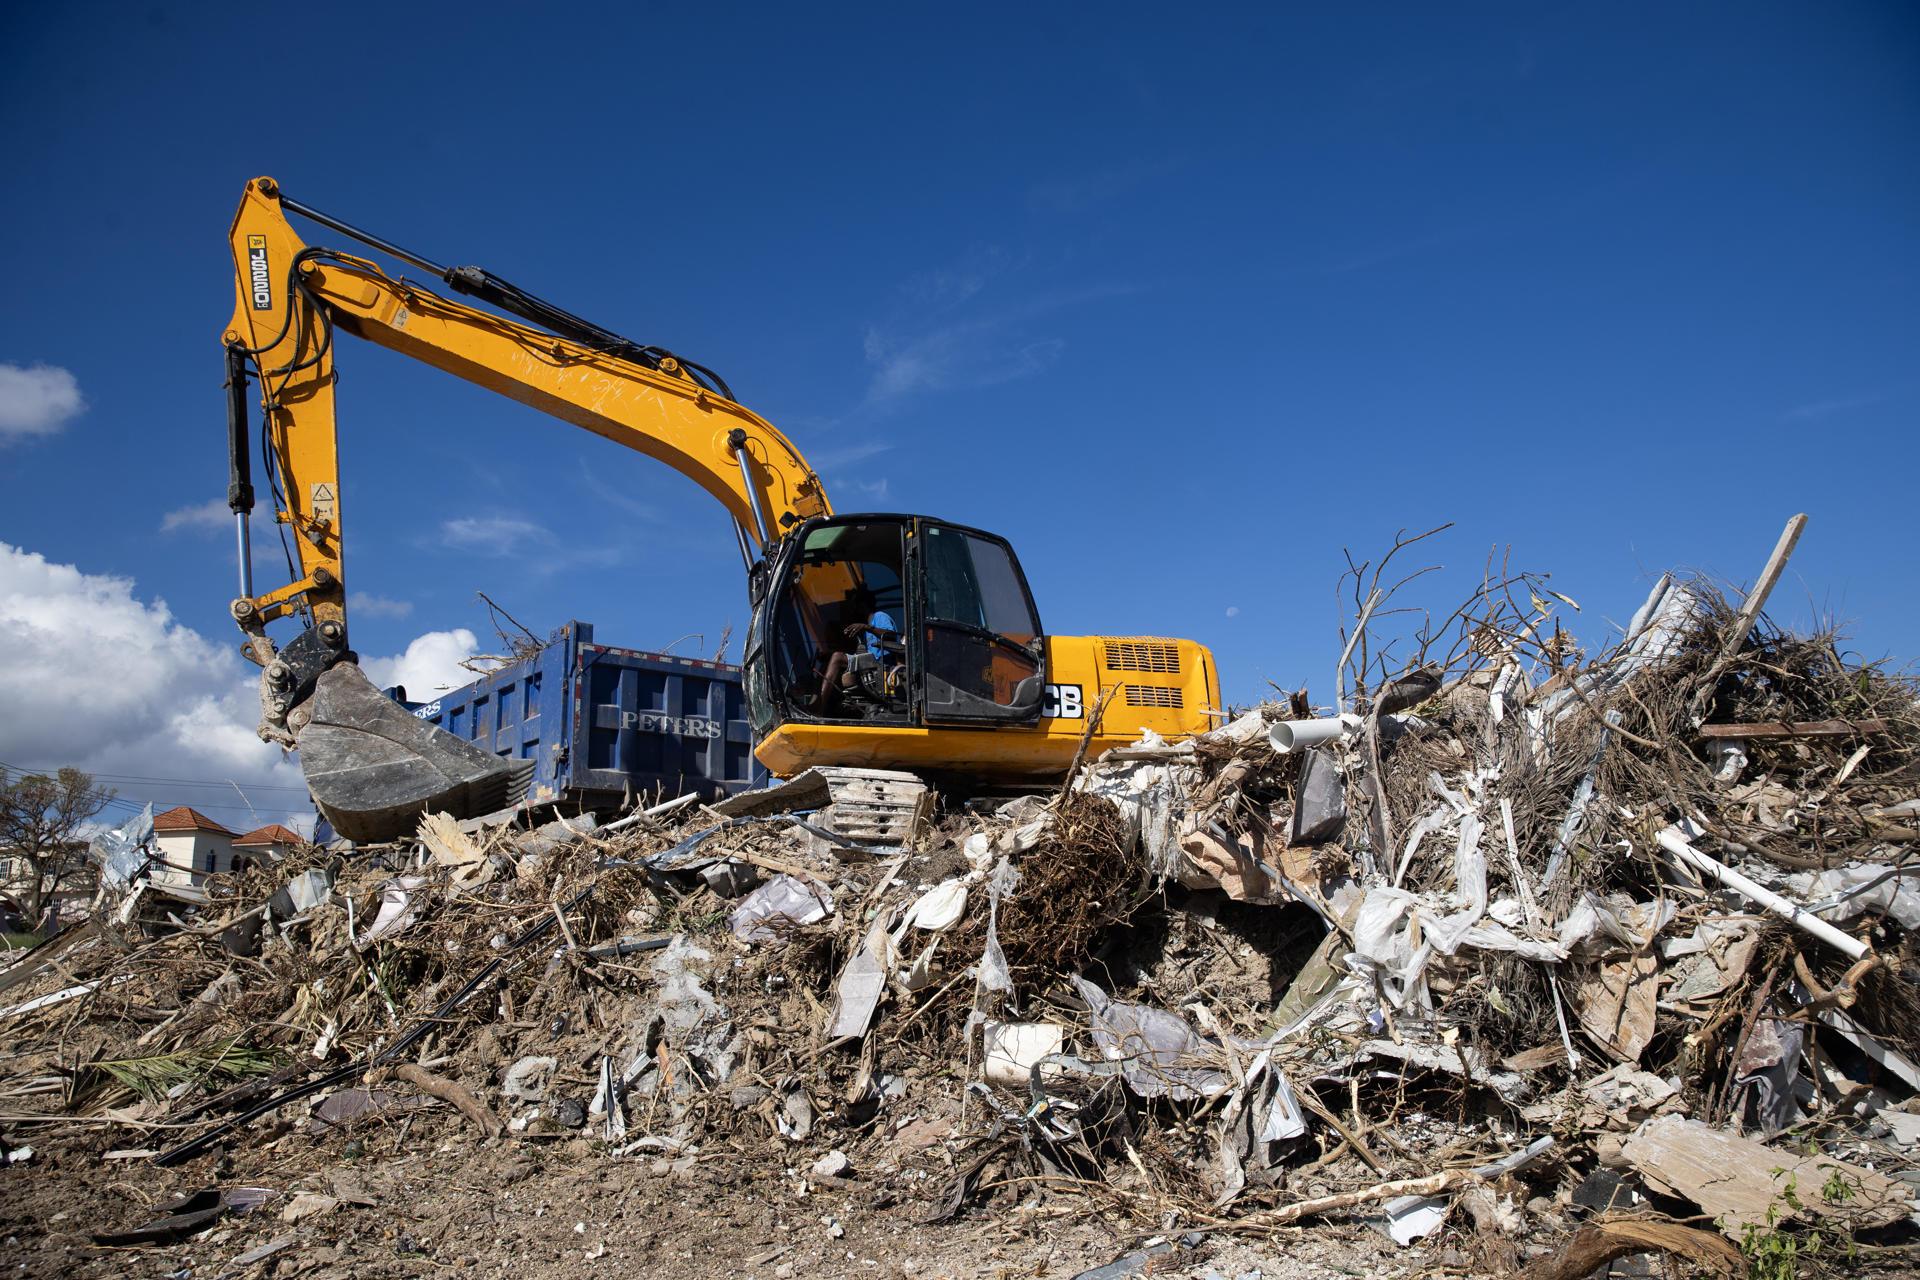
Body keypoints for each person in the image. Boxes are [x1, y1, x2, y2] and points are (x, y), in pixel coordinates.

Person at [816, 587, 897, 713]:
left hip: (881, 666)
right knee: (830, 663)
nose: (853, 609)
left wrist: (866, 627)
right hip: (869, 666)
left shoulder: (880, 616)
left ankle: (819, 707)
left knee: (838, 658)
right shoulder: (864, 631)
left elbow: (891, 635)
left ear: (863, 605)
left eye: (855, 605)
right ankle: (827, 707)